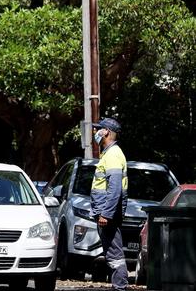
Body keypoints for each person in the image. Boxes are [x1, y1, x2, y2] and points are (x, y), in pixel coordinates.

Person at [90, 118, 128, 290]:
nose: (94, 132)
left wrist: (106, 213)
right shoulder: (109, 153)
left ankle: (120, 287)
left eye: (98, 129)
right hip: (107, 214)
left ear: (106, 132)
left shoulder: (113, 155)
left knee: (115, 256)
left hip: (108, 215)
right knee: (112, 255)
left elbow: (114, 189)